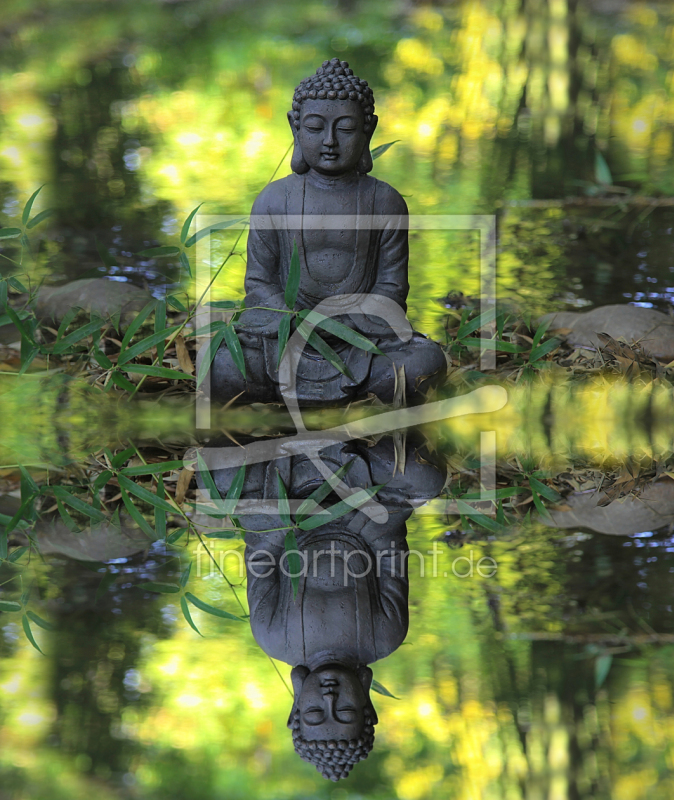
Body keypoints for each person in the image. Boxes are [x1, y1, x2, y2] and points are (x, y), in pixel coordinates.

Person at [198, 436, 445, 779]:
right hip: (363, 507)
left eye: (315, 712)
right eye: (344, 710)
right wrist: (358, 518)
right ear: (367, 706)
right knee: (424, 477)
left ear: (296, 705)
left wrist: (288, 516)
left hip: (286, 507)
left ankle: (289, 442)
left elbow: (260, 556)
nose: (330, 697)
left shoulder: (273, 637)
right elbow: (391, 551)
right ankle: (345, 443)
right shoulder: (385, 636)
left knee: (218, 476)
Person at [208, 58, 446, 406]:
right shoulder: (274, 199)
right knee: (220, 363)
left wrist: (339, 324)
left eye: (346, 129)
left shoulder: (385, 201)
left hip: (361, 340)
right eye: (315, 127)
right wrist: (298, 322)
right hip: (285, 336)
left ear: (369, 130)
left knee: (424, 362)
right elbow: (258, 285)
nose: (330, 141)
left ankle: (325, 402)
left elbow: (392, 289)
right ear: (295, 128)